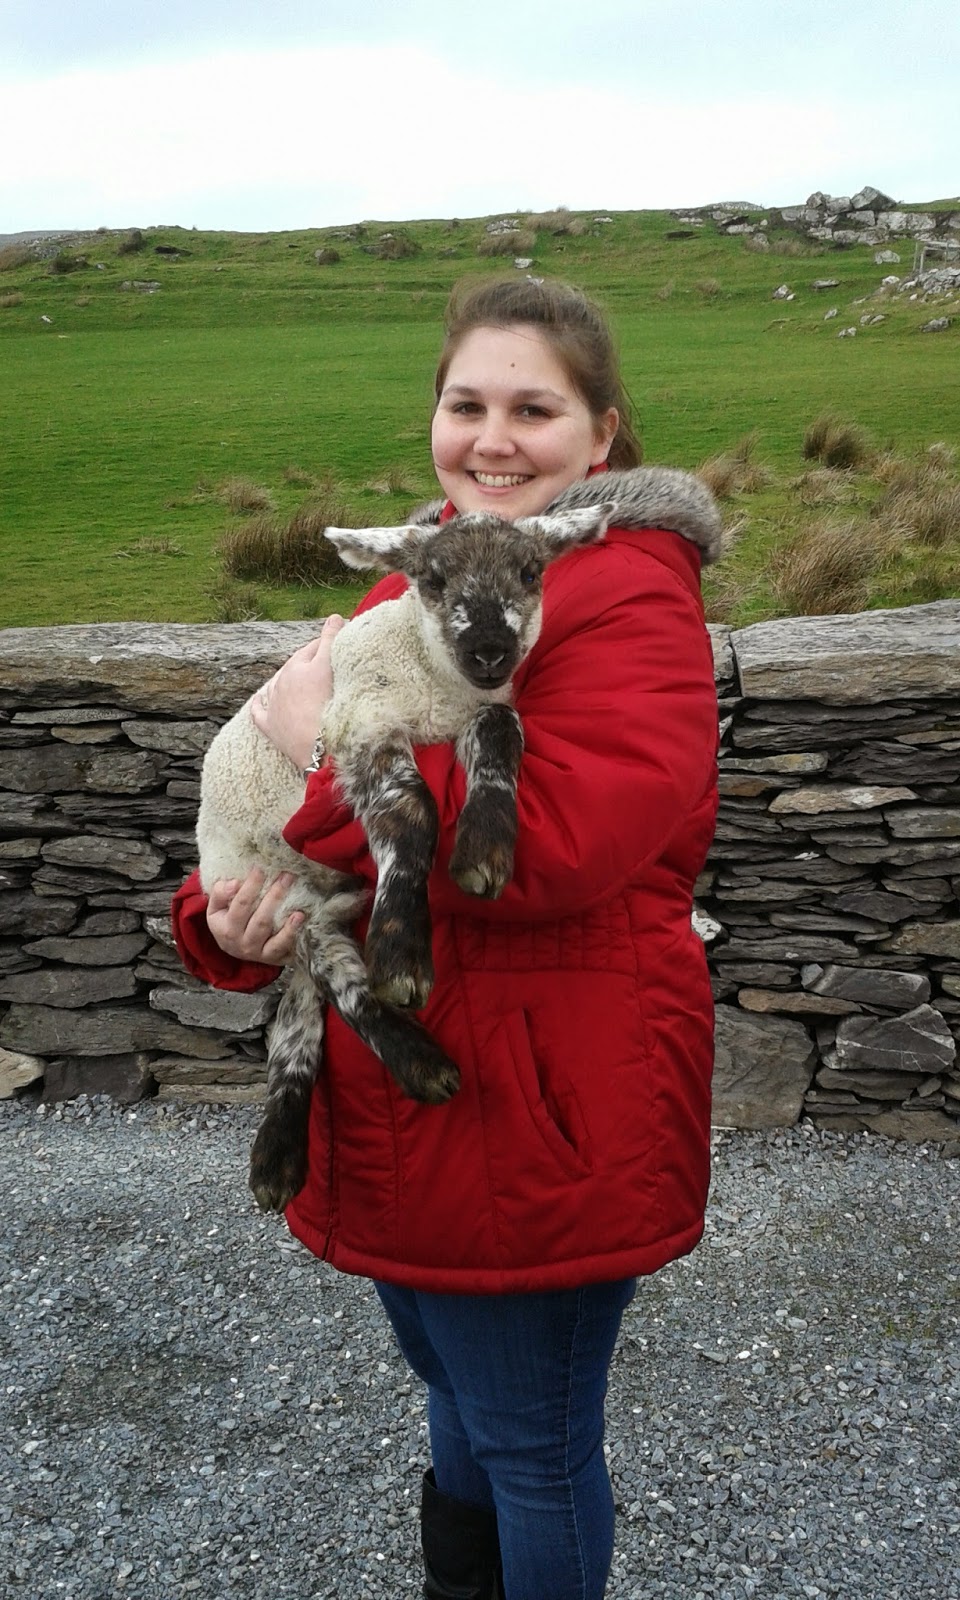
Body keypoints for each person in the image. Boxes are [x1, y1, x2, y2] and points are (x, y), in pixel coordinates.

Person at [172, 277, 719, 1600]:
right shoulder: (416, 575)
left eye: (535, 408)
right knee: (463, 1420)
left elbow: (559, 845)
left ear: (603, 437)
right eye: (466, 403)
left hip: (535, 1109)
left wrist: (318, 743)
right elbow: (291, 809)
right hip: (402, 1096)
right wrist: (233, 924)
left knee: (530, 1446)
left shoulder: (630, 598)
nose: (492, 438)